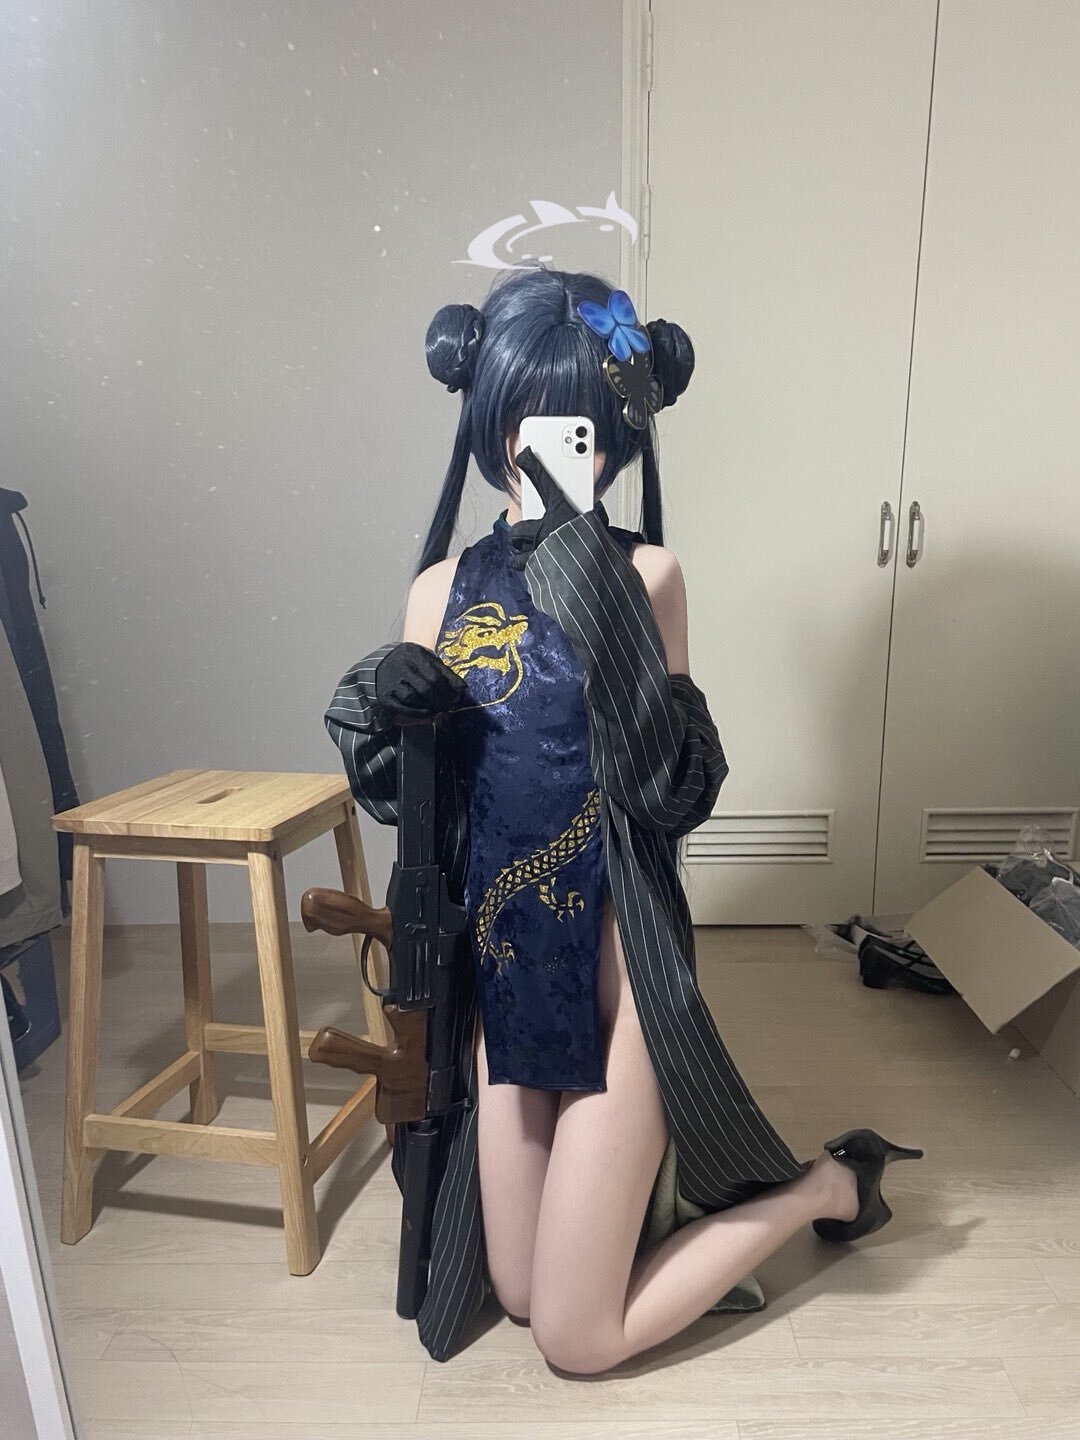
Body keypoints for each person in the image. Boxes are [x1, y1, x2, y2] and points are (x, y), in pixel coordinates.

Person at [325, 267, 924, 1372]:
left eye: (590, 430)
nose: (568, 454)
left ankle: (831, 1185)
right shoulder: (440, 591)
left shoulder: (648, 576)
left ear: (619, 436)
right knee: (515, 1292)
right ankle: (623, 1219)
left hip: (621, 983)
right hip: (508, 982)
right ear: (491, 422)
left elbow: (670, 795)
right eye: (536, 425)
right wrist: (397, 712)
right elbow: (418, 814)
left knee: (574, 1337)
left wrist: (593, 597)